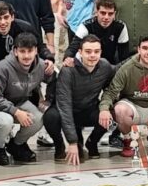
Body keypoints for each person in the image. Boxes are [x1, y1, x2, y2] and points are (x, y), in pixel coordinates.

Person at [0, 1, 55, 152]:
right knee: (0, 117)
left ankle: (18, 144)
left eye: (6, 17)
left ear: (12, 17)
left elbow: (40, 46)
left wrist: (49, 58)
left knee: (34, 117)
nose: (3, 22)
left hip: (20, 82)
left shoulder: (25, 28)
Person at [0, 33, 54, 164]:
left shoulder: (42, 66)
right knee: (6, 121)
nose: (26, 56)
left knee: (39, 118)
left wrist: (48, 99)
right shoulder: (2, 67)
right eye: (22, 51)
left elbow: (54, 81)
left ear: (36, 50)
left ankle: (16, 145)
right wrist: (16, 112)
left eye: (30, 51)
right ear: (15, 51)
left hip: (19, 101)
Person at [43, 35, 116, 164]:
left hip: (88, 109)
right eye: (88, 51)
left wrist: (105, 108)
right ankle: (59, 145)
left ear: (101, 52)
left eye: (96, 51)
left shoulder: (105, 67)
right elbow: (64, 106)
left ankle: (92, 142)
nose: (92, 55)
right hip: (66, 109)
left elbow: (114, 84)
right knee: (50, 117)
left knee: (113, 113)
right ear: (80, 52)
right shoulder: (68, 71)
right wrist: (72, 141)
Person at [63, 0, 130, 66]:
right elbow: (72, 48)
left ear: (114, 13)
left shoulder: (120, 27)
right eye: (103, 13)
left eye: (110, 14)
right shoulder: (86, 26)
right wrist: (68, 59)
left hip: (110, 67)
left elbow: (124, 56)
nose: (106, 17)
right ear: (97, 12)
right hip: (88, 66)